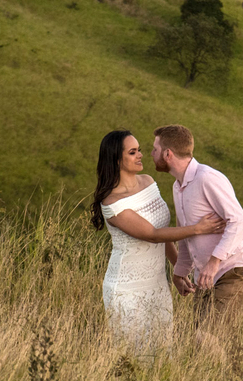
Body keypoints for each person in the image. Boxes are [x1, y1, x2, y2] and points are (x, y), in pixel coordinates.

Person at [90, 130, 225, 357]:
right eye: (132, 152)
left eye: (140, 150)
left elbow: (163, 234)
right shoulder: (112, 202)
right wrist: (197, 228)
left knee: (162, 353)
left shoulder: (148, 182)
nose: (140, 155)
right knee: (134, 356)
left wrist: (179, 270)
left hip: (157, 284)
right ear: (116, 159)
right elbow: (152, 234)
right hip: (126, 288)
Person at [151, 124, 243, 354]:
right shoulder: (177, 187)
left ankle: (230, 375)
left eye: (155, 149)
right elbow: (185, 234)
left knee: (206, 337)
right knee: (204, 343)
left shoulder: (207, 178)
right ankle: (237, 374)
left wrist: (214, 261)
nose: (151, 154)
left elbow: (239, 220)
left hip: (234, 269)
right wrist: (180, 272)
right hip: (206, 277)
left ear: (168, 154)